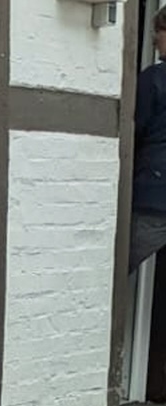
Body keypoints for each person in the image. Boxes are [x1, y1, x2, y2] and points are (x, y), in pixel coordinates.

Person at [131, 7, 166, 272]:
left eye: (159, 30)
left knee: (111, 268)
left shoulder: (154, 79)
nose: (154, 38)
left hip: (153, 196)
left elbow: (134, 131)